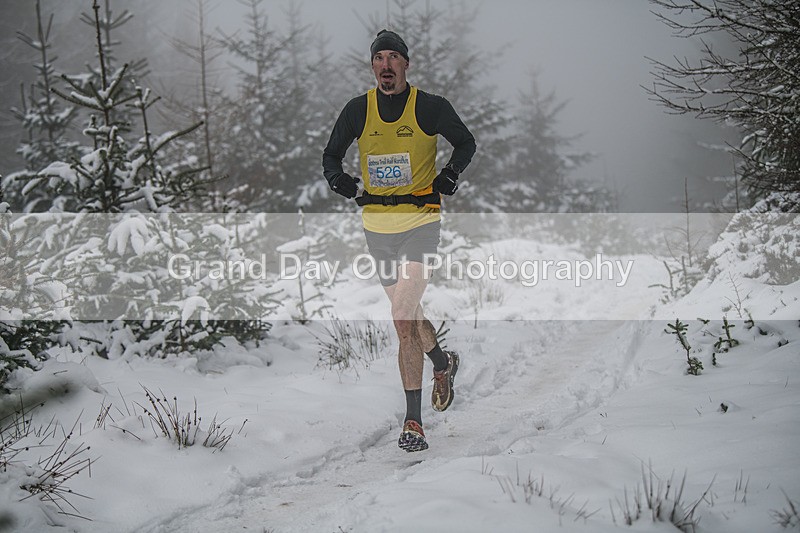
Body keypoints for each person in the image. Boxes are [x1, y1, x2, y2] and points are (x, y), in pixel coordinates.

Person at [322, 29, 476, 452]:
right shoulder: (358, 110)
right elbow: (330, 157)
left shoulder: (428, 107)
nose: (385, 65)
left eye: (393, 57)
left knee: (403, 314)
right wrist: (341, 183)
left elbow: (466, 142)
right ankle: (443, 364)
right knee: (407, 315)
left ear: (406, 64)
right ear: (372, 66)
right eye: (378, 58)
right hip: (377, 229)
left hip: (421, 222)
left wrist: (448, 176)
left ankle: (413, 423)